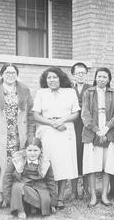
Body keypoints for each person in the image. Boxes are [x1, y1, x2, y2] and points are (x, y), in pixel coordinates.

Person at [0, 62, 35, 209]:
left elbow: (30, 115)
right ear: (2, 74)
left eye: (13, 73)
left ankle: (15, 197)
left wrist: (30, 135)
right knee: (1, 165)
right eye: (7, 72)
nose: (10, 75)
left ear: (17, 75)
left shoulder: (24, 90)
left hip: (18, 135)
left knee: (17, 165)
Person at [33, 67, 80, 209]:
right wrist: (52, 123)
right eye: (49, 78)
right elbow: (36, 115)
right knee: (49, 163)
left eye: (54, 77)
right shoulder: (41, 93)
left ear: (60, 78)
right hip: (47, 129)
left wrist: (62, 121)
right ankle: (49, 196)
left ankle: (60, 198)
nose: (51, 80)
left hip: (65, 129)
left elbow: (76, 113)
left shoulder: (70, 92)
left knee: (63, 163)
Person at [81, 67, 114, 207]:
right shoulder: (88, 92)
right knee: (92, 165)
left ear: (109, 79)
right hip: (92, 133)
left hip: (109, 132)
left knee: (107, 165)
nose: (102, 79)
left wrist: (106, 129)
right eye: (99, 76)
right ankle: (93, 196)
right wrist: (97, 131)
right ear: (95, 78)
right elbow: (85, 114)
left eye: (105, 77)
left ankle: (104, 195)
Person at [2, 138, 57, 219]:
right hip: (22, 185)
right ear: (25, 150)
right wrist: (8, 198)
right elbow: (7, 178)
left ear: (40, 150)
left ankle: (33, 206)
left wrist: (53, 202)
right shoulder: (16, 159)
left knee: (45, 201)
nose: (32, 153)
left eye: (35, 150)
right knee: (17, 187)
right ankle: (20, 210)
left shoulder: (45, 162)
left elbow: (51, 181)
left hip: (39, 188)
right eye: (29, 150)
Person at [70, 62, 91, 199]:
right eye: (78, 73)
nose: (81, 75)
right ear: (73, 75)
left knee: (86, 156)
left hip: (86, 127)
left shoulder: (91, 89)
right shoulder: (68, 89)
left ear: (86, 74)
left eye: (83, 72)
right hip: (72, 127)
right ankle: (73, 191)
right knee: (73, 157)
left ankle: (86, 189)